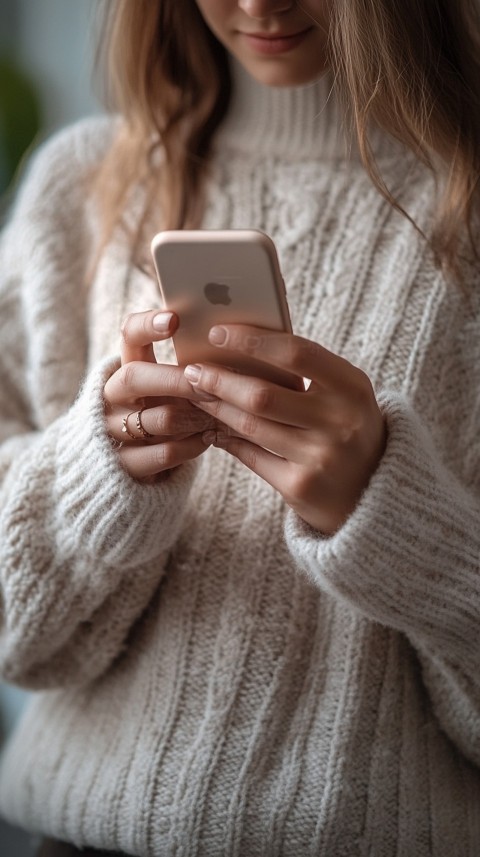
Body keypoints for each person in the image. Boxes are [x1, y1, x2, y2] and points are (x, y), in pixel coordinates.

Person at [0, 1, 479, 855]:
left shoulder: (464, 207)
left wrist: (394, 518)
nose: (259, 4)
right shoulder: (85, 185)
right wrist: (92, 472)